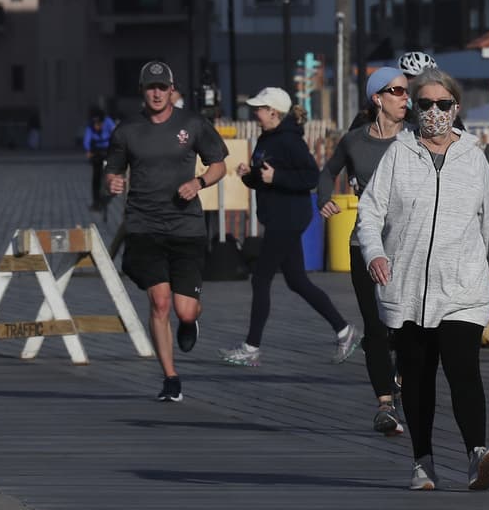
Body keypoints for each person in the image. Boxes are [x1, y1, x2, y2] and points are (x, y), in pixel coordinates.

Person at [357, 67, 489, 491]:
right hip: (407, 289)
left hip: (463, 286)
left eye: (443, 104)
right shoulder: (398, 154)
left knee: (464, 367)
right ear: (414, 107)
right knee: (417, 376)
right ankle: (423, 462)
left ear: (456, 107)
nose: (434, 111)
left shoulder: (474, 158)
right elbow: (369, 212)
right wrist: (375, 252)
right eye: (426, 103)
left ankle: (477, 455)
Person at [105, 61, 229, 402]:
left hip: (186, 227)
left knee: (184, 309)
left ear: (172, 90)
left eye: (163, 87)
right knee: (159, 302)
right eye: (151, 87)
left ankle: (189, 322)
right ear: (142, 91)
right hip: (144, 225)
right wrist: (112, 182)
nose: (157, 93)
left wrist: (199, 182)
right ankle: (170, 378)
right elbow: (113, 170)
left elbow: (219, 165)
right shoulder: (127, 130)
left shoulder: (192, 124)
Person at [220, 87, 360, 368]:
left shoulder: (289, 140)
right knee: (296, 280)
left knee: (260, 278)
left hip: (288, 218)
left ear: (274, 112)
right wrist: (249, 176)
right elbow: (265, 177)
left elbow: (310, 176)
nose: (255, 113)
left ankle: (251, 347)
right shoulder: (267, 138)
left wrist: (277, 177)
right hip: (278, 217)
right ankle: (344, 330)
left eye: (260, 109)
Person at [316, 65, 411, 436]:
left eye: (406, 91)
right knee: (374, 326)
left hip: (407, 246)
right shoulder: (355, 141)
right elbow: (328, 172)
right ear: (377, 98)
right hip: (364, 245)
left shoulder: (415, 138)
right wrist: (324, 198)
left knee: (406, 326)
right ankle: (385, 405)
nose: (405, 98)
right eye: (397, 91)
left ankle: (400, 378)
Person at [83, 110, 116, 210]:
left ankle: (107, 193)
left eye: (99, 124)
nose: (97, 126)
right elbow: (87, 139)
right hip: (96, 151)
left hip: (108, 150)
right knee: (96, 178)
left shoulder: (108, 122)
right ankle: (96, 201)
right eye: (95, 124)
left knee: (107, 174)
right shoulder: (90, 126)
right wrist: (88, 150)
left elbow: (116, 134)